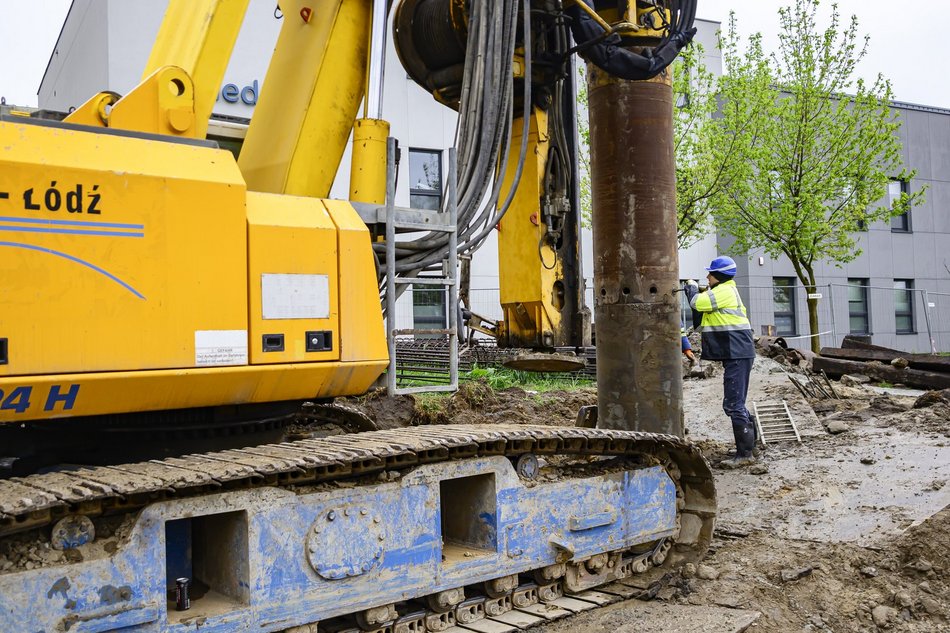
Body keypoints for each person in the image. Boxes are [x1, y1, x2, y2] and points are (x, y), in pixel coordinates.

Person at [684, 256, 757, 468]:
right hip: (737, 353)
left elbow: (697, 303)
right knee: (736, 403)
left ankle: (745, 455)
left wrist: (691, 288)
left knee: (734, 404)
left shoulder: (724, 291)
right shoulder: (723, 291)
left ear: (719, 276)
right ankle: (750, 447)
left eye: (710, 273)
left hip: (738, 353)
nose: (707, 276)